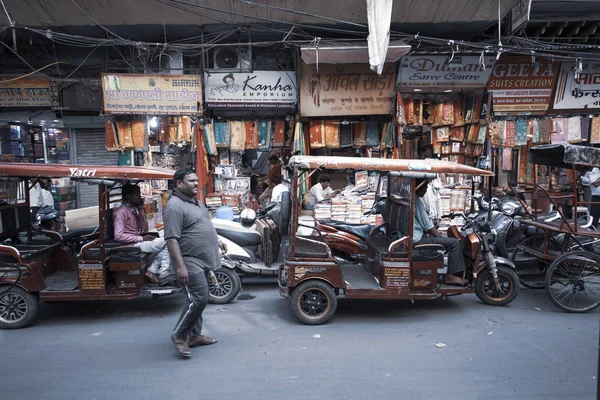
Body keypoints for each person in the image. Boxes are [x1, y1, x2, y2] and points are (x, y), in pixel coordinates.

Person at [164, 168, 227, 358]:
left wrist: (217, 240)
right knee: (199, 298)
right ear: (179, 184)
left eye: (196, 180)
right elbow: (171, 239)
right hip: (189, 261)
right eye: (191, 181)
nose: (196, 184)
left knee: (197, 300)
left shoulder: (196, 202)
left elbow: (203, 223)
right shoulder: (174, 206)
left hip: (202, 260)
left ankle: (195, 336)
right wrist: (181, 267)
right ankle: (179, 335)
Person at [113, 184, 172, 284]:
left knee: (168, 242)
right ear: (128, 196)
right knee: (168, 242)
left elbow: (144, 227)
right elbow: (118, 235)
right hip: (130, 245)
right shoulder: (121, 212)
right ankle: (162, 272)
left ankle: (152, 270)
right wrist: (141, 239)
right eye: (137, 195)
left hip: (137, 241)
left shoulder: (134, 209)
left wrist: (141, 210)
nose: (140, 197)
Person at [414, 179, 468, 286]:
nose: (425, 191)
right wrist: (441, 239)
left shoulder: (411, 200)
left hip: (414, 236)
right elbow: (428, 226)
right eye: (424, 187)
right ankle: (450, 276)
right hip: (417, 240)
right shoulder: (416, 202)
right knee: (455, 243)